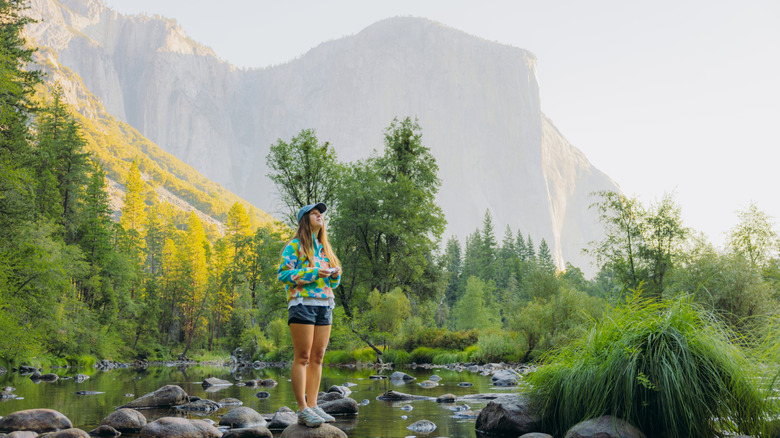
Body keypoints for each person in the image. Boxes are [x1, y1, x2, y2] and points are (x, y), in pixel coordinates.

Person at [277, 202, 341, 427]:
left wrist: (335, 275)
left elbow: (334, 282)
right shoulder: (293, 247)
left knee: (318, 357)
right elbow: (283, 275)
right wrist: (313, 272)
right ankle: (302, 408)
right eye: (314, 214)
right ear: (305, 220)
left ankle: (313, 405)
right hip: (302, 304)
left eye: (321, 214)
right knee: (302, 357)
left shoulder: (325, 249)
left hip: (325, 304)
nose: (319, 216)